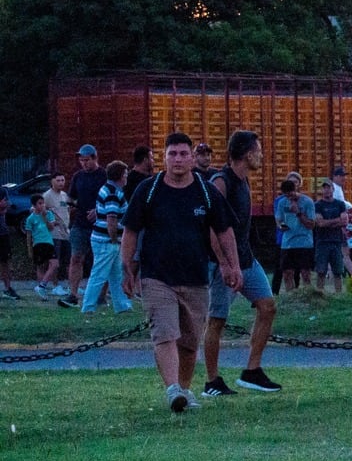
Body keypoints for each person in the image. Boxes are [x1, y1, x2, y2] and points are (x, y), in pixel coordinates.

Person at [121, 132, 238, 413]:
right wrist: (128, 269)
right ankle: (172, 388)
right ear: (163, 157)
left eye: (183, 154)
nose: (178, 160)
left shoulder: (206, 191)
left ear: (192, 158)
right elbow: (131, 232)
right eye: (172, 154)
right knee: (165, 333)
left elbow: (224, 231)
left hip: (196, 277)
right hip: (156, 276)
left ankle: (183, 392)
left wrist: (231, 265)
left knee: (188, 342)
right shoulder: (148, 190)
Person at [200, 130, 282, 395]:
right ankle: (211, 381)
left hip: (245, 257)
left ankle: (252, 371)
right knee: (217, 320)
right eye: (259, 150)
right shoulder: (221, 182)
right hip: (220, 262)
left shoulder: (244, 180)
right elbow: (211, 228)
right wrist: (224, 264)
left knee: (267, 306)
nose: (261, 155)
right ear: (247, 154)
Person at [78, 160, 133, 313]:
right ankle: (88, 307)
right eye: (125, 175)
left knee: (116, 274)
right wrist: (115, 239)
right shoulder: (114, 193)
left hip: (102, 238)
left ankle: (122, 305)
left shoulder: (106, 189)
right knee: (99, 274)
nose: (126, 178)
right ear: (120, 176)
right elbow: (111, 219)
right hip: (106, 241)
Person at [67, 144, 105, 304]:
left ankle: (101, 296)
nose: (84, 163)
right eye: (81, 160)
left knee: (101, 260)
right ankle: (73, 294)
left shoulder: (104, 175)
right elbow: (70, 197)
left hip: (100, 223)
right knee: (76, 257)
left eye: (87, 160)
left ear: (95, 158)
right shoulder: (78, 176)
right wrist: (71, 206)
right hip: (80, 223)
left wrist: (98, 210)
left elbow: (113, 196)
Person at [273, 176, 316, 293]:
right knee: (287, 273)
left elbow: (311, 224)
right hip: (288, 243)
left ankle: (308, 296)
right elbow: (278, 219)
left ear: (296, 190)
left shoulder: (307, 202)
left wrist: (298, 212)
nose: (289, 198)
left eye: (291, 195)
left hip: (304, 242)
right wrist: (281, 225)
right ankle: (290, 297)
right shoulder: (282, 202)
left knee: (305, 273)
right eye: (286, 195)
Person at [311, 176, 352, 292]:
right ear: (322, 190)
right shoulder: (318, 205)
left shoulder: (340, 204)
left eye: (328, 188)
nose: (326, 190)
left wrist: (328, 222)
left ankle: (338, 294)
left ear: (333, 189)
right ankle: (319, 293)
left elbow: (344, 221)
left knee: (338, 271)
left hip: (336, 241)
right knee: (321, 271)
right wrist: (336, 221)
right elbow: (320, 224)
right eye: (324, 188)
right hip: (322, 241)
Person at [26, 193, 58, 298]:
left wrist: (44, 217)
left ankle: (42, 285)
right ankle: (42, 291)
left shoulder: (48, 214)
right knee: (40, 267)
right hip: (38, 244)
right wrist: (30, 249)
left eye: (43, 203)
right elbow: (29, 236)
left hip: (48, 242)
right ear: (34, 205)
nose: (42, 205)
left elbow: (51, 228)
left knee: (54, 264)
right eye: (40, 203)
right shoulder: (30, 218)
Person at [47, 174, 72, 303]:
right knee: (55, 261)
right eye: (58, 180)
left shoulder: (64, 195)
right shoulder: (47, 196)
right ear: (52, 181)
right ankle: (55, 285)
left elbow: (68, 208)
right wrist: (49, 222)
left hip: (66, 233)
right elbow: (37, 210)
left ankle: (72, 286)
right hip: (54, 234)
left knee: (69, 260)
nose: (61, 182)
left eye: (63, 180)